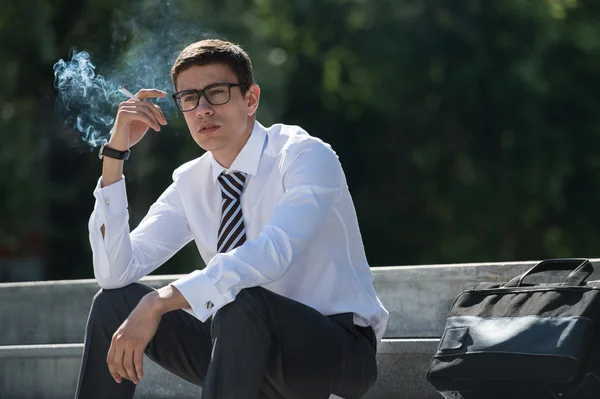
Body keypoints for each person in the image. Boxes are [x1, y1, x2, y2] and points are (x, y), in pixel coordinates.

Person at [74, 38, 389, 399]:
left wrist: (160, 300)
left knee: (240, 301)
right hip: (239, 348)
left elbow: (273, 253)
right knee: (114, 303)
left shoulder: (303, 155)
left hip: (334, 353)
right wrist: (115, 154)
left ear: (250, 99)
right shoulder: (191, 181)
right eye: (189, 98)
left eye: (217, 92)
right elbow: (114, 273)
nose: (203, 109)